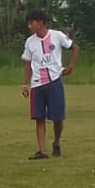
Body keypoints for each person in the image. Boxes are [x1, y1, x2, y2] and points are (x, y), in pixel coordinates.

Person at [20, 10, 78, 159]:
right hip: (37, 84)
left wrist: (71, 66)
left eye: (31, 23)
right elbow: (27, 64)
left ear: (40, 22)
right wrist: (24, 84)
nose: (29, 26)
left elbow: (74, 47)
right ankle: (42, 151)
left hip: (54, 81)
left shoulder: (57, 36)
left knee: (57, 118)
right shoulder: (30, 42)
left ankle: (56, 141)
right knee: (39, 117)